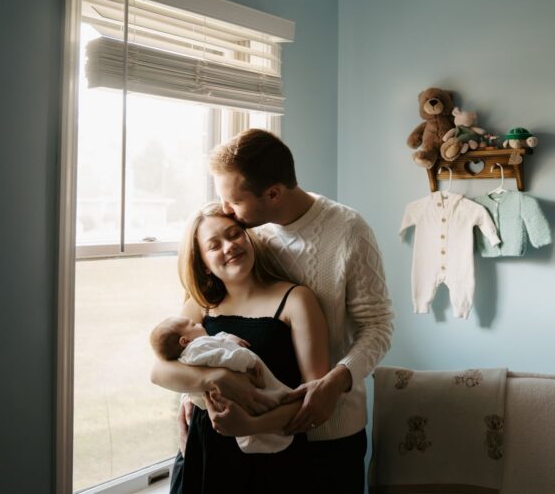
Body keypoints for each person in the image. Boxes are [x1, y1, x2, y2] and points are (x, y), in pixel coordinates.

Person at [153, 129, 394, 493]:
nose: (225, 210)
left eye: (232, 200)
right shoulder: (248, 234)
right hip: (248, 441)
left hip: (330, 430)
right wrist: (199, 391)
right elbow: (192, 334)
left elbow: (378, 326)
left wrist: (335, 381)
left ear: (273, 194)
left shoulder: (349, 231)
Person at [151, 202, 330, 493]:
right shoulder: (202, 307)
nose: (229, 246)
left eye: (234, 234)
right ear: (204, 265)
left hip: (271, 456)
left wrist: (249, 425)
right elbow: (158, 371)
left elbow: (314, 398)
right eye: (214, 245)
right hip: (205, 454)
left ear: (248, 237)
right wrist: (216, 379)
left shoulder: (295, 300)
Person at [150, 316, 295, 454]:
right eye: (193, 325)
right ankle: (266, 435)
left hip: (220, 420)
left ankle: (263, 434)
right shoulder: (195, 349)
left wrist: (227, 338)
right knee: (262, 403)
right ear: (184, 341)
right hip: (216, 422)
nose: (200, 324)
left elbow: (215, 343)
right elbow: (220, 356)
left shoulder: (194, 347)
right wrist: (248, 360)